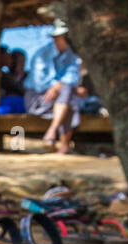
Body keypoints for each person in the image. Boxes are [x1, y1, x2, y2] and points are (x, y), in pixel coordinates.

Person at [24, 21, 86, 154]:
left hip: (60, 100)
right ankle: (64, 144)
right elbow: (39, 84)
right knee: (69, 94)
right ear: (56, 38)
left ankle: (52, 132)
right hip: (38, 99)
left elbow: (72, 78)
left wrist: (60, 86)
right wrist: (59, 86)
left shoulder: (72, 56)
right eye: (65, 36)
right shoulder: (41, 55)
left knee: (68, 93)